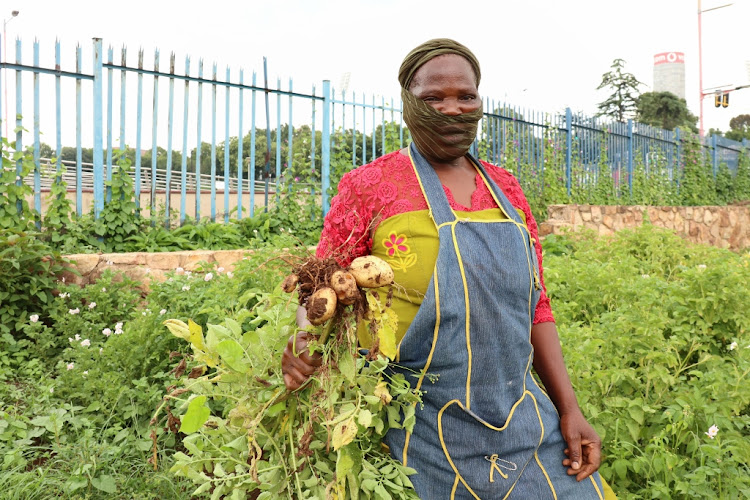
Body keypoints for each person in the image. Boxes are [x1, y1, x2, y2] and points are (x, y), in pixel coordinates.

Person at [282, 38, 616, 499]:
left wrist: (569, 408)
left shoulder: (507, 190)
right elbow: (321, 285)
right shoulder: (371, 186)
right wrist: (304, 339)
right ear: (407, 104)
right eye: (433, 98)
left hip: (520, 416)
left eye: (466, 96)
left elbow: (536, 306)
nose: (452, 109)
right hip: (413, 425)